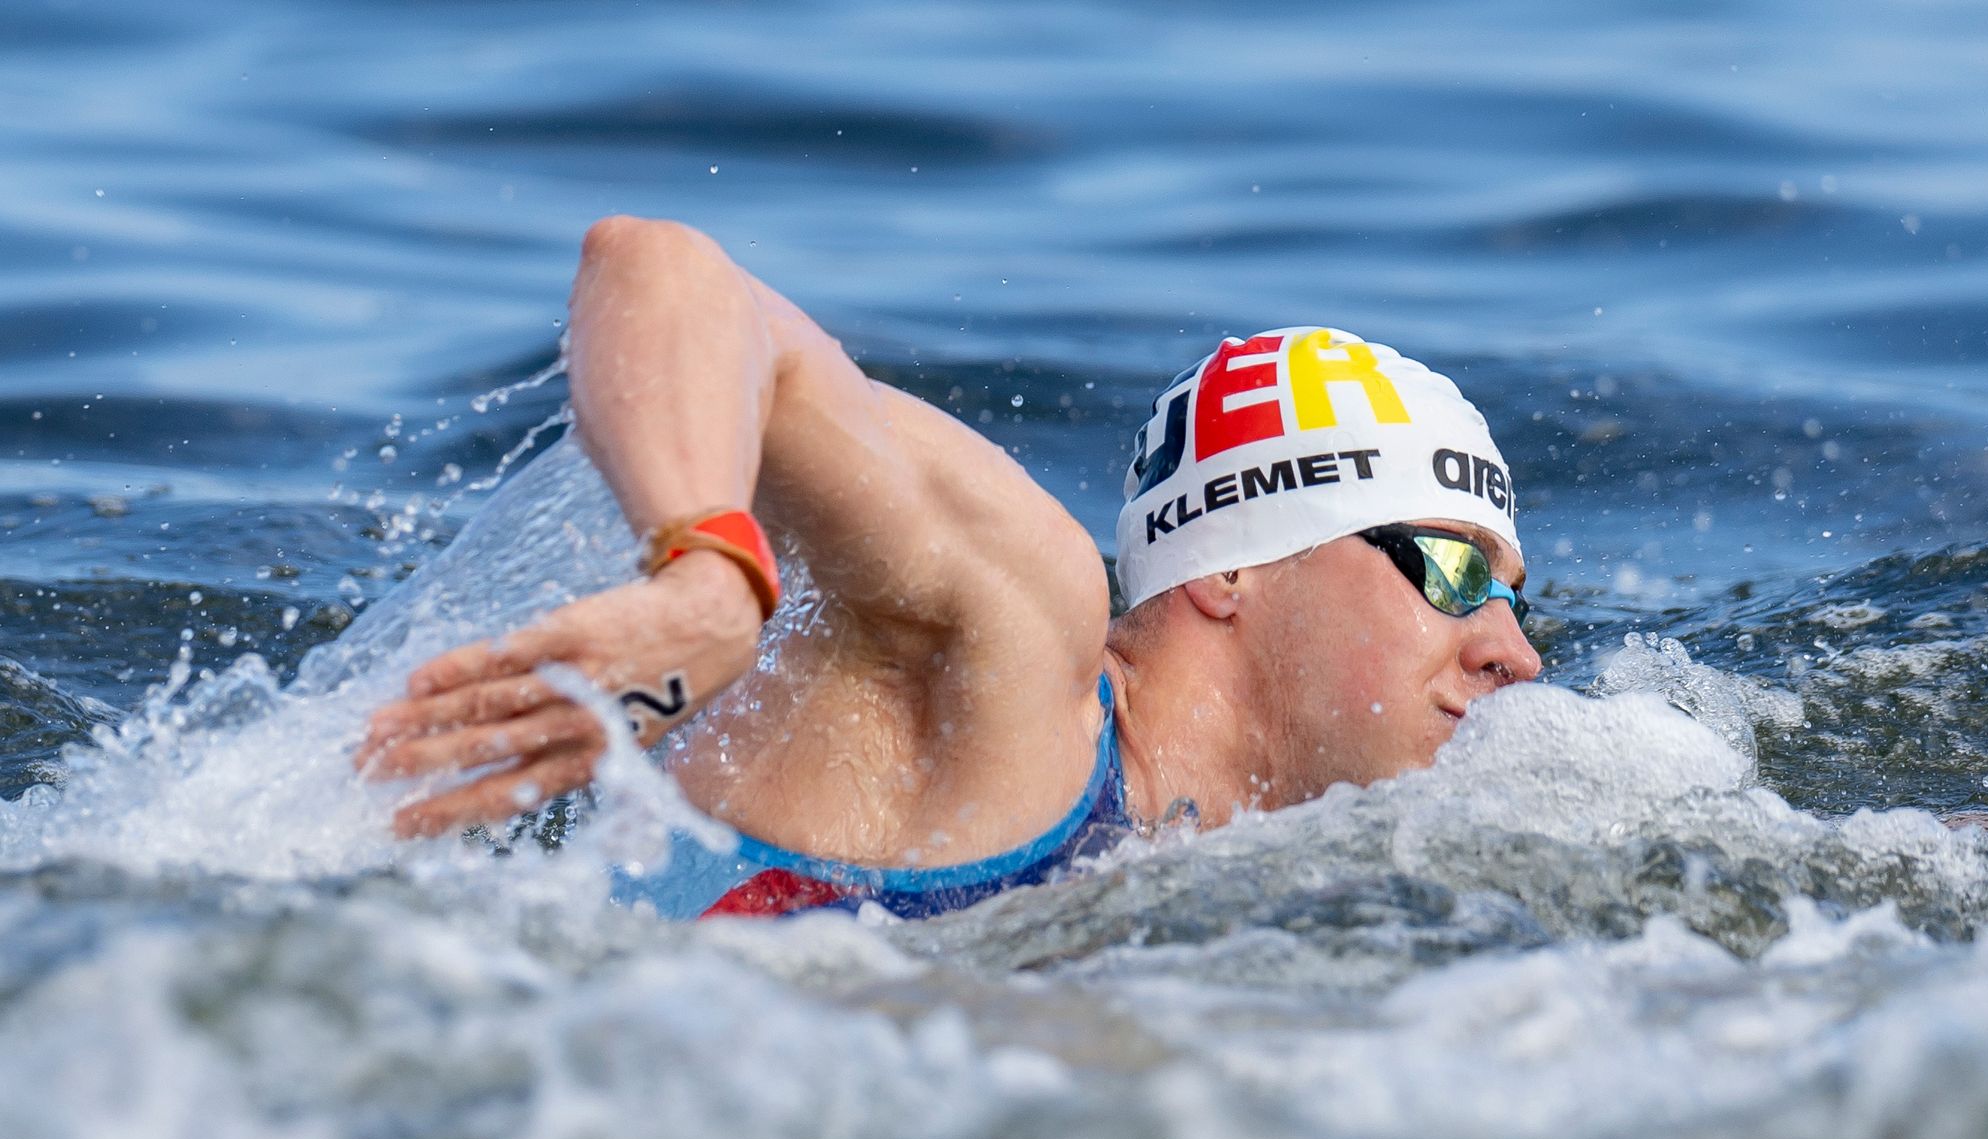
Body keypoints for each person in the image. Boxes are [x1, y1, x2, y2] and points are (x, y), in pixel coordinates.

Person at [356, 216, 1542, 918]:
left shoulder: (1256, 879)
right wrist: (708, 575)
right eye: (1447, 566)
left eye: (1511, 596)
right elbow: (658, 267)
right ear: (1230, 569)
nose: (1512, 647)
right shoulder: (1011, 656)